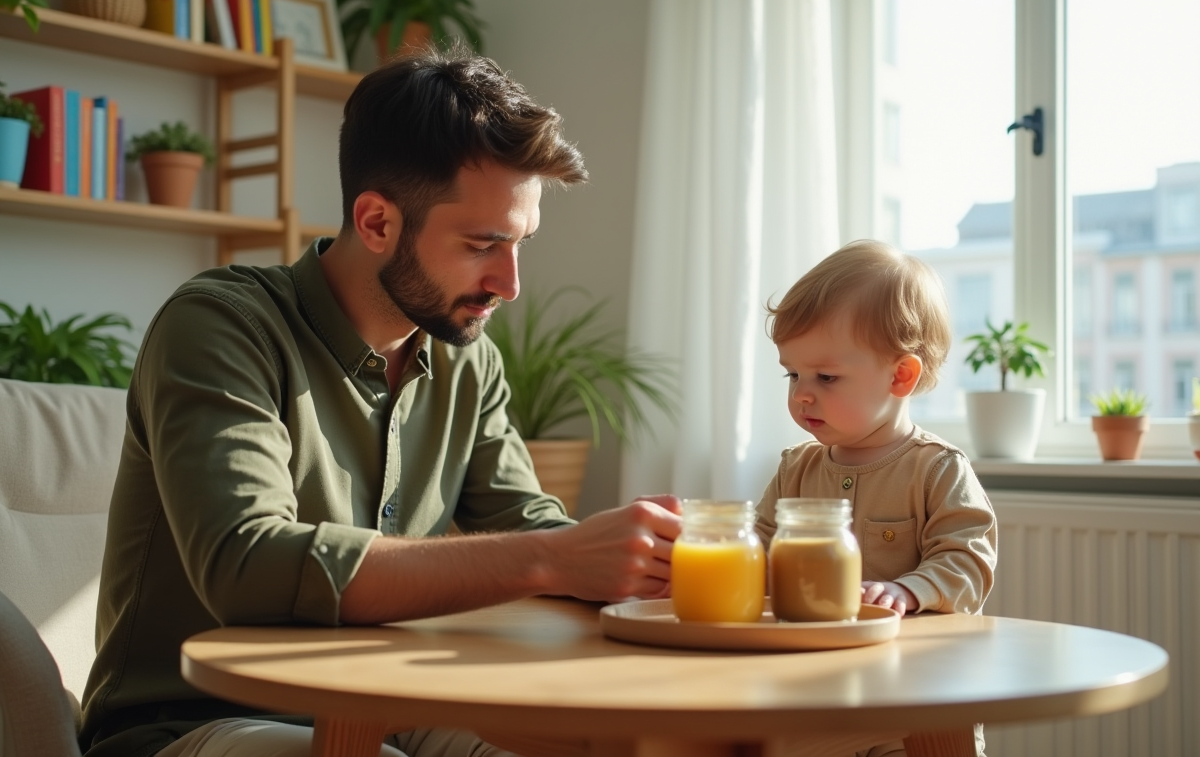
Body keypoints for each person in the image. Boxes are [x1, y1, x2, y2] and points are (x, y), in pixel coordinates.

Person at [78, 47, 681, 757]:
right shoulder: (221, 326)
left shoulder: (466, 359)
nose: (511, 282)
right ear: (375, 223)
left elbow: (528, 522)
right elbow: (246, 564)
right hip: (194, 721)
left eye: (521, 243)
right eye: (483, 243)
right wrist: (553, 557)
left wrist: (663, 561)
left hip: (385, 707)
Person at [753, 240, 997, 756]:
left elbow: (968, 561)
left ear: (900, 376)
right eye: (792, 373)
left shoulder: (937, 468)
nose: (801, 393)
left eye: (825, 376)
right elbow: (758, 545)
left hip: (916, 705)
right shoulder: (797, 468)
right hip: (812, 699)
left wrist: (910, 590)